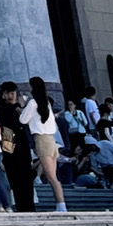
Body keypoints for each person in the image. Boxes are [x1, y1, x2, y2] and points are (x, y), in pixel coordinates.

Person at [22, 76, 67, 213]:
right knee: (52, 176)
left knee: (51, 177)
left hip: (41, 139)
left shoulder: (32, 103)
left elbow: (23, 120)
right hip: (51, 140)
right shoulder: (46, 102)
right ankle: (60, 205)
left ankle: (61, 205)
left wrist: (21, 108)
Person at [0, 83, 35, 213]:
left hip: (22, 142)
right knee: (13, 176)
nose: (10, 96)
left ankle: (29, 206)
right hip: (8, 138)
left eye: (13, 93)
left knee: (26, 175)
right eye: (8, 93)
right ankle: (20, 206)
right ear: (3, 94)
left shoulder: (21, 108)